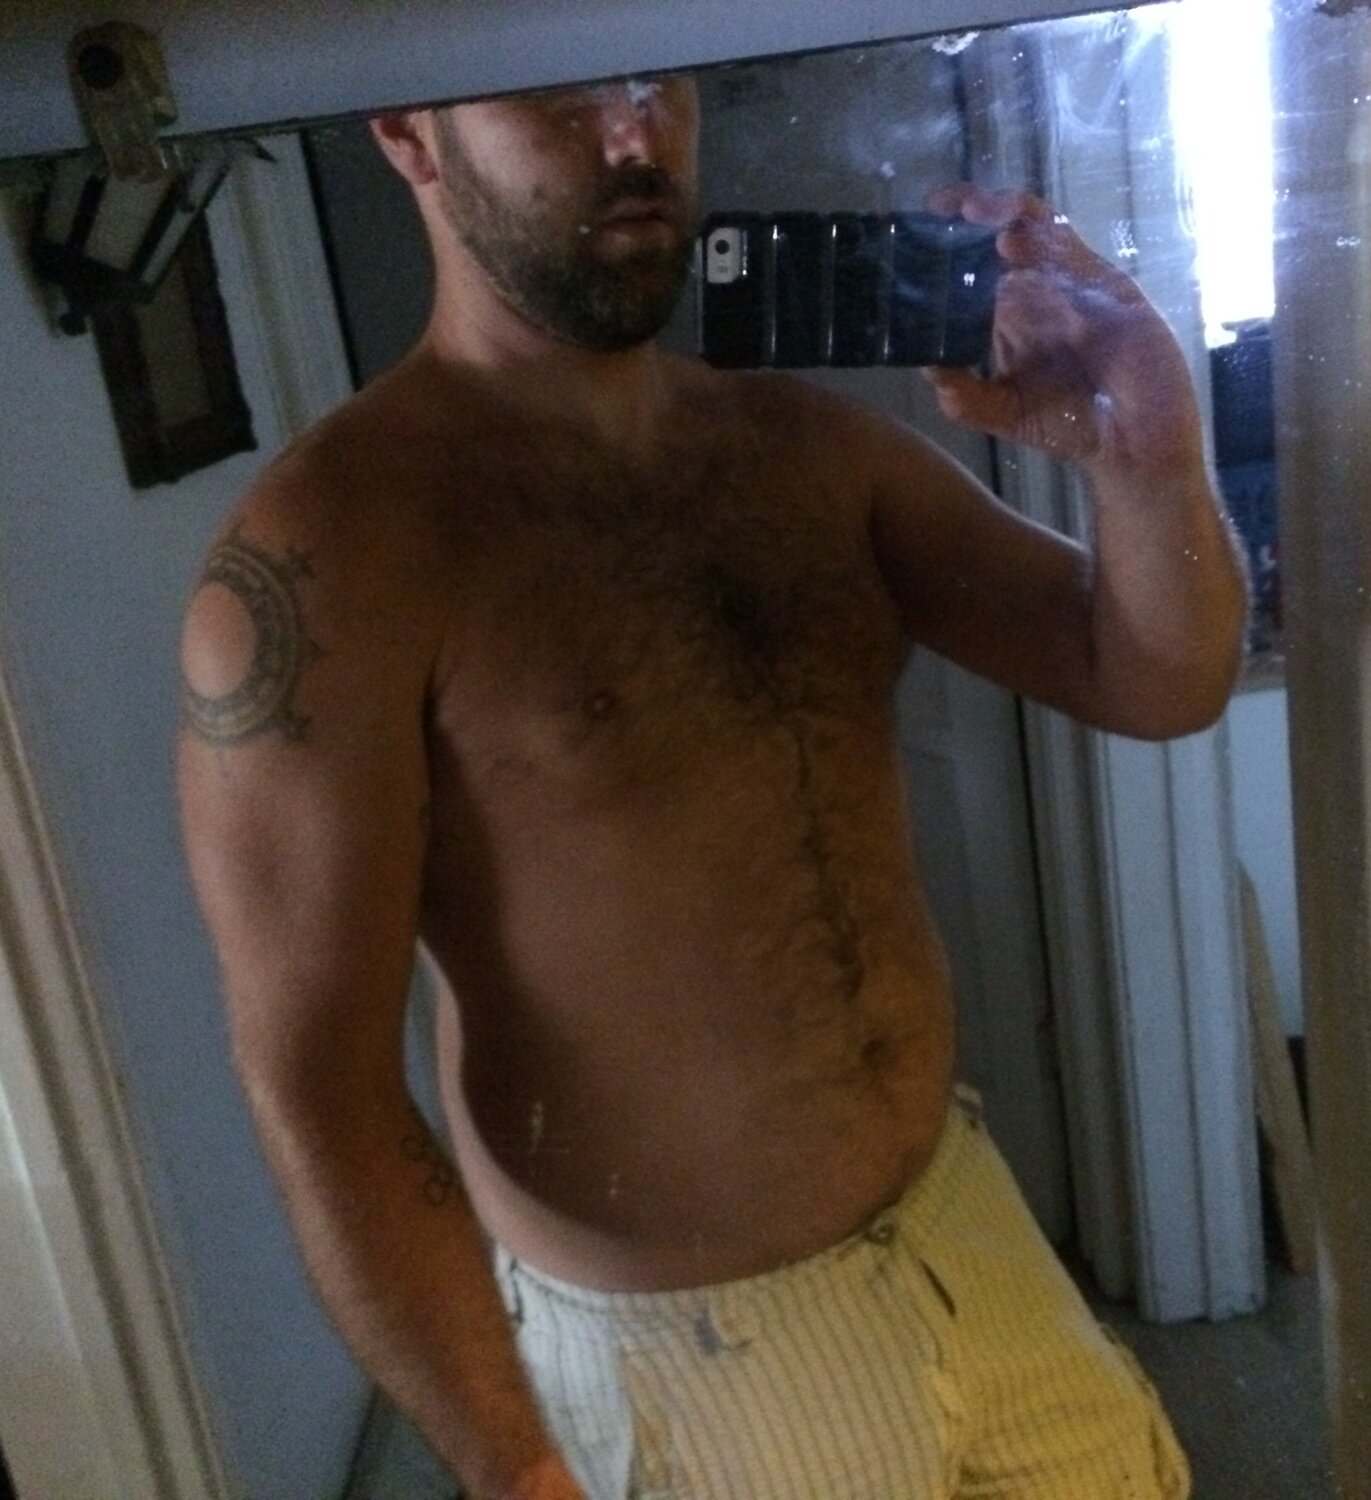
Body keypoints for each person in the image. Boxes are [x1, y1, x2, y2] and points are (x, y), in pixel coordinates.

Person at [177, 71, 1243, 1500]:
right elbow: (319, 1086)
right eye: (556, 95)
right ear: (406, 130)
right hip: (685, 1366)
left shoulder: (810, 452)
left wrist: (1148, 458)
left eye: (653, 76)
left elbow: (1156, 681)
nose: (634, 134)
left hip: (963, 1229)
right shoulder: (334, 558)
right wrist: (517, 1466)